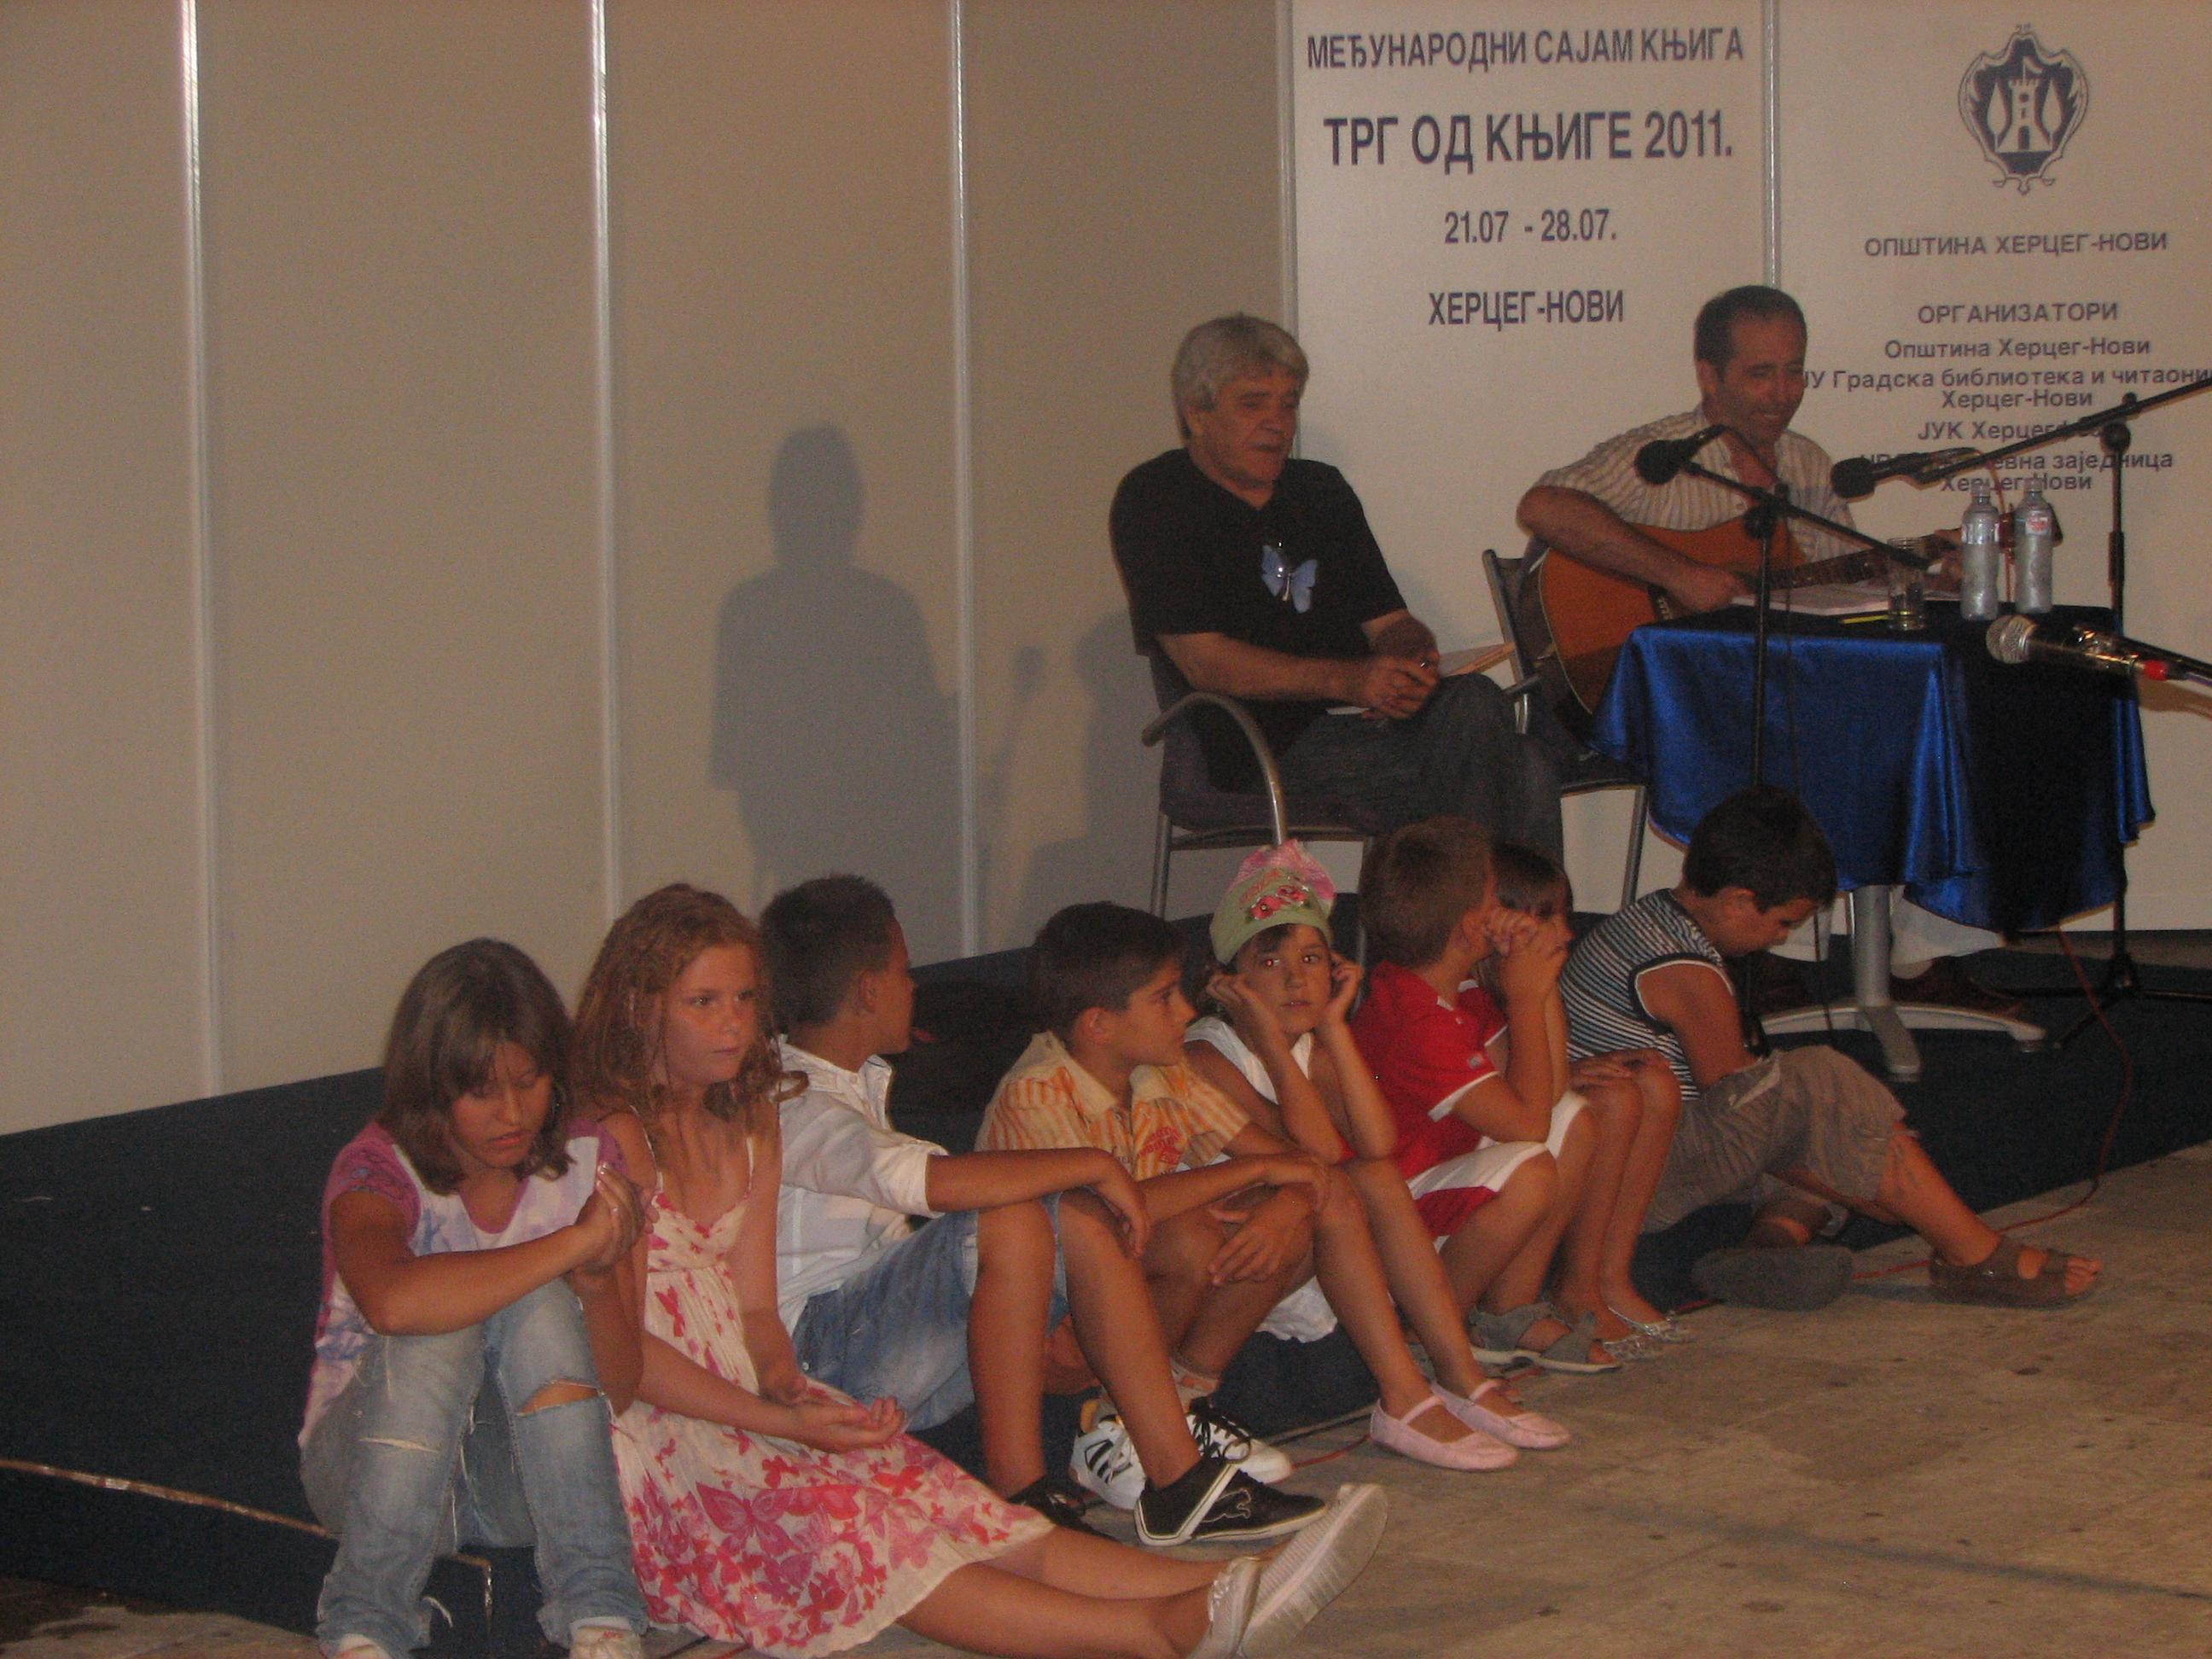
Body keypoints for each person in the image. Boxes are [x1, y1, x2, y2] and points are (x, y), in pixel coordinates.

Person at [577, 883, 1385, 1657]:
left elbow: (755, 1312)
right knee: (879, 1534)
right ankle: (1153, 1632)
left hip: (764, 1389)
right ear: (642, 1009)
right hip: (672, 1428)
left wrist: (789, 1388)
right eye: (704, 1002)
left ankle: (1230, 1582)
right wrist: (783, 1422)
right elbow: (628, 1365)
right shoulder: (623, 1137)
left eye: (745, 999)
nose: (733, 1023)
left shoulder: (749, 1118)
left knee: (954, 1507)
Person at [1515, 282, 2019, 1021]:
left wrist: (1920, 571)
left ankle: (1919, 951)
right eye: (1760, 374)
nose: (1782, 394)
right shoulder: (1661, 458)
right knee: (1806, 732)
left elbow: (1841, 579)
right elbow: (1544, 507)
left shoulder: (1807, 464)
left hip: (1775, 692)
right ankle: (1767, 950)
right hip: (1666, 700)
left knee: (1934, 734)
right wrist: (1676, 573)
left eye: (1794, 371)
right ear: (1709, 376)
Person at [760, 874, 1311, 1537]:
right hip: (819, 1362)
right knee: (1033, 1209)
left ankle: (1172, 1482)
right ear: (868, 990)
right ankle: (1024, 1488)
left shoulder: (854, 1084)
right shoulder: (792, 1099)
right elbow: (922, 1182)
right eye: (905, 973)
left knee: (1062, 1212)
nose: (914, 988)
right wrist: (1094, 1164)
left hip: (886, 1345)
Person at [979, 900, 1521, 1490]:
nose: (1186, 1011)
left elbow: (1307, 1164)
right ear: (1098, 1025)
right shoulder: (1039, 1092)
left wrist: (1288, 1201)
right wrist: (1261, 1174)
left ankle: (1384, 1398)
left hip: (1132, 1293)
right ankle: (1116, 1425)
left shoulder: (1159, 1072)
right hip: (1054, 1329)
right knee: (1190, 1239)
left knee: (1311, 1204)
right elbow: (1110, 1213)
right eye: (1165, 998)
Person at [1560, 785, 2101, 1311]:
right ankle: (1974, 1254)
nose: (1780, 939)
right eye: (1783, 923)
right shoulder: (1684, 971)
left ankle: (1768, 1248)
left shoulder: (1647, 921)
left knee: (1834, 1134)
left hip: (1638, 1151)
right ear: (1738, 901)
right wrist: (1868, 1187)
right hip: (1630, 1177)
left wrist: (1854, 1164)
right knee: (1824, 1086)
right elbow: (1739, 1101)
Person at [300, 940, 649, 1659]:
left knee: (541, 1303)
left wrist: (591, 1282)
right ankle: (366, 1619)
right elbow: (392, 1304)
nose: (513, 1112)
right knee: (443, 1317)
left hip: (516, 1483)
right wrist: (571, 1247)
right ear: (433, 1088)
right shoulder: (376, 1167)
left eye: (530, 1081)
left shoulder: (587, 1161)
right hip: (372, 1477)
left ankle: (600, 1609)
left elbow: (617, 1390)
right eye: (482, 1091)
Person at [1111, 312, 1560, 857]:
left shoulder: (1321, 490)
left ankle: (1469, 908)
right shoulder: (1156, 499)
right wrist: (1350, 681)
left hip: (1366, 724)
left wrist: (1408, 660)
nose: (1278, 424)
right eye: (1253, 404)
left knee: (1482, 711)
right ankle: (1489, 911)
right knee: (1518, 765)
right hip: (1262, 746)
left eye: (1289, 404)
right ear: (1196, 415)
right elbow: (1205, 663)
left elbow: (1391, 624)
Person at [1184, 841, 1569, 1452]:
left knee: (1376, 1175)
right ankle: (1410, 1393)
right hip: (1236, 1258)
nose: (1296, 979)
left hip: (1297, 1241)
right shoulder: (1206, 1056)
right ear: (1229, 981)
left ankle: (1458, 1378)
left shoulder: (1313, 1046)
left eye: (1312, 959)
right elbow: (1312, 1156)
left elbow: (1376, 1142)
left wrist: (1334, 1028)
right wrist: (1276, 1048)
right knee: (1356, 1181)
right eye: (1271, 962)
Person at [1348, 819, 1615, 1372]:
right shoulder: (1416, 1017)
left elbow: (1549, 1091)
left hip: (1438, 1175)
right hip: (1391, 1215)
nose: (1509, 912)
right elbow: (1527, 1125)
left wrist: (1536, 985)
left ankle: (1506, 1311)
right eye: (1497, 897)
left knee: (1575, 1119)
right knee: (1530, 1171)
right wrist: (1525, 997)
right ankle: (1430, 1330)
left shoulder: (1457, 988)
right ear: (1470, 926)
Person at [1480, 842, 1690, 1348]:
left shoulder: (1523, 986)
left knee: (1653, 1083)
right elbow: (1527, 1089)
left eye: (1565, 916)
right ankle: (1552, 1294)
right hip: (1482, 1152)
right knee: (1607, 1103)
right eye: (1547, 919)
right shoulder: (1476, 992)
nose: (1568, 933)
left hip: (1518, 1112)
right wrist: (1536, 987)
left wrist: (1543, 983)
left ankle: (1605, 1277)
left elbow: (1549, 1073)